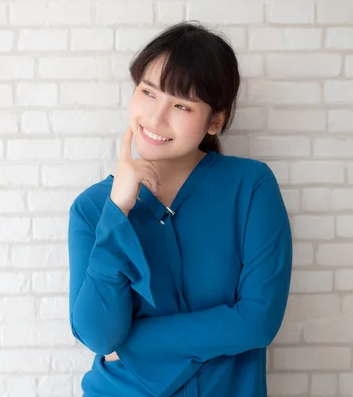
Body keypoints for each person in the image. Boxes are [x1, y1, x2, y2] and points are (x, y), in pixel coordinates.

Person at [67, 21, 292, 397]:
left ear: (215, 120)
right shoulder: (93, 208)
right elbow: (98, 335)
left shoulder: (250, 186)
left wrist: (132, 341)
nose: (156, 118)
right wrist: (117, 212)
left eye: (181, 105)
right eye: (148, 92)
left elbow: (258, 322)